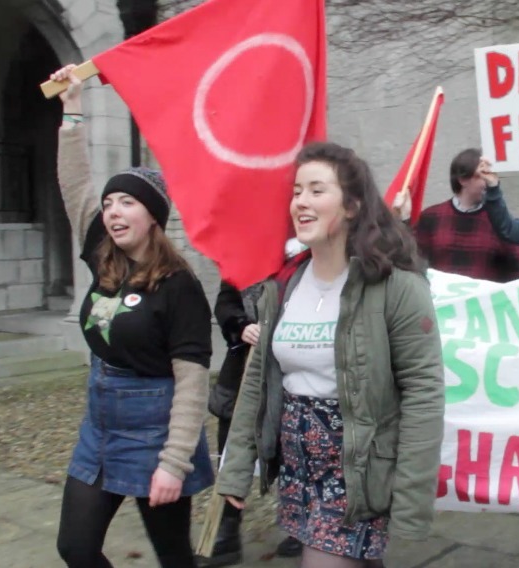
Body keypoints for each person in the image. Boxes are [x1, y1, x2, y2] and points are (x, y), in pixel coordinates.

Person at [217, 142, 445, 568]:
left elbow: (424, 391)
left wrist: (411, 499)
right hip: (298, 473)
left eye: (316, 190)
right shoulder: (285, 284)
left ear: (353, 206)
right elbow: (257, 381)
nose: (300, 202)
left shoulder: (395, 286)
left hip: (358, 474)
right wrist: (236, 469)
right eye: (297, 191)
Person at [50, 64, 215, 567]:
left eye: (127, 202)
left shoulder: (179, 286)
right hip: (101, 424)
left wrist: (174, 462)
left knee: (174, 558)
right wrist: (72, 109)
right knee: (76, 547)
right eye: (109, 204)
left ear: (153, 217)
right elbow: (75, 185)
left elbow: (192, 380)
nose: (113, 212)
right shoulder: (103, 252)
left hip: (155, 429)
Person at [200, 240, 309, 567]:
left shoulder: (312, 251)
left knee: (297, 447)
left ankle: (303, 524)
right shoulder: (246, 248)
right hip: (243, 370)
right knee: (231, 446)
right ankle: (226, 529)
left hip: (294, 366)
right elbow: (226, 301)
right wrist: (241, 325)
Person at [414, 148, 519, 282]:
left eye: (492, 175)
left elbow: (518, 275)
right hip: (440, 295)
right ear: (463, 179)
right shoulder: (431, 217)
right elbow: (416, 265)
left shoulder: (501, 222)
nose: (489, 182)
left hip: (486, 295)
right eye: (483, 175)